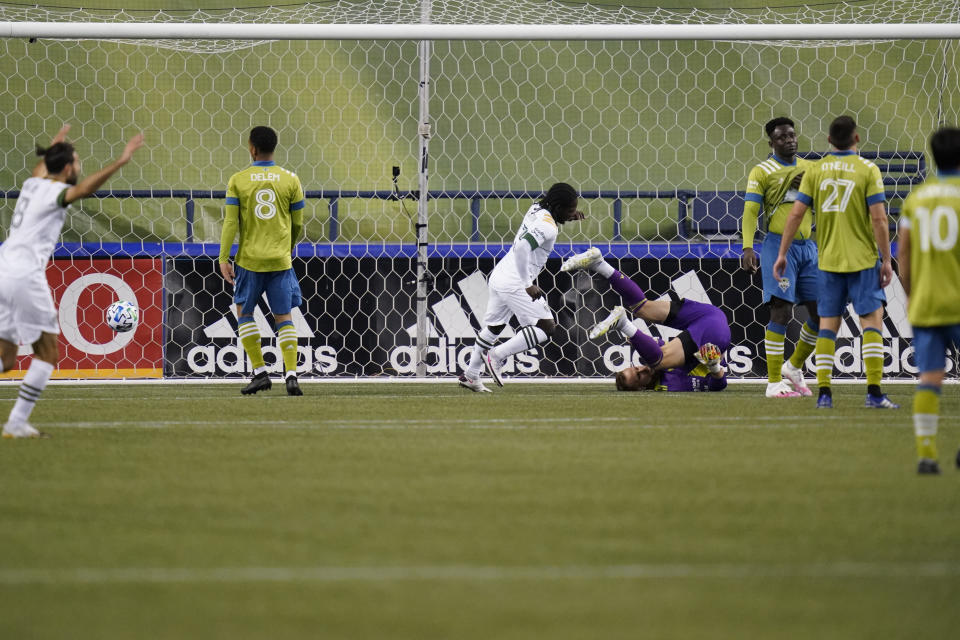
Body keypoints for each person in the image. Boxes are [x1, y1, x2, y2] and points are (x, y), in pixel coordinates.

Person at [0, 124, 144, 438]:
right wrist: (121, 161)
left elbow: (44, 167)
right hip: (24, 276)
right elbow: (84, 190)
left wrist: (56, 144)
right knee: (48, 354)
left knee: (7, 359)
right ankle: (16, 423)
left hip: (3, 269)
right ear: (67, 168)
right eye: (77, 162)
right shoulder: (53, 192)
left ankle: (16, 423)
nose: (80, 167)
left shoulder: (32, 184)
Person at [773, 115, 897, 409]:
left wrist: (781, 253)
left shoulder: (816, 171)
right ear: (856, 139)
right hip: (863, 260)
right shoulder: (868, 169)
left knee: (828, 324)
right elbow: (879, 218)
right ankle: (874, 393)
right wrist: (886, 258)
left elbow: (795, 214)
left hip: (827, 262)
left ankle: (825, 394)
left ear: (829, 141)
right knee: (871, 322)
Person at [458, 182, 585, 391]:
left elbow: (539, 226)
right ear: (558, 207)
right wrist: (527, 284)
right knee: (546, 328)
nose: (573, 213)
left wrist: (567, 215)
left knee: (494, 327)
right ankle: (496, 355)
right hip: (516, 281)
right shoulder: (549, 227)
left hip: (501, 275)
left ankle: (471, 375)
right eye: (570, 210)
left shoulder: (537, 207)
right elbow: (523, 247)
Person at [561, 247, 730, 392]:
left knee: (656, 351)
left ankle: (620, 317)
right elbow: (718, 385)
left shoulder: (656, 360)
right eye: (639, 376)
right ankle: (600, 267)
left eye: (636, 368)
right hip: (713, 329)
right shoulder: (671, 384)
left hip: (710, 323)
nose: (643, 369)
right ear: (641, 389)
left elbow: (655, 353)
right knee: (646, 318)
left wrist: (636, 338)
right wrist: (714, 367)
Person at [219, 126, 306, 396]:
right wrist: (286, 248)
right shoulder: (291, 179)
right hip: (280, 261)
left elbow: (231, 222)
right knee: (284, 317)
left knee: (244, 314)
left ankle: (260, 373)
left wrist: (224, 257)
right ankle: (291, 375)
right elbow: (299, 223)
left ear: (252, 148)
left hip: (249, 261)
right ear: (274, 147)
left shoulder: (239, 180)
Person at [741, 117, 819, 399]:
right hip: (777, 245)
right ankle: (774, 382)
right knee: (782, 311)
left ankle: (794, 366)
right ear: (771, 142)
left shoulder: (811, 168)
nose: (789, 140)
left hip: (808, 248)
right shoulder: (761, 171)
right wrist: (748, 247)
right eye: (782, 137)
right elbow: (751, 210)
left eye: (792, 135)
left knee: (822, 313)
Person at [897, 126, 960, 475]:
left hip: (927, 303)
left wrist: (910, 294)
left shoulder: (916, 199)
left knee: (929, 378)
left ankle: (927, 455)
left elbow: (902, 255)